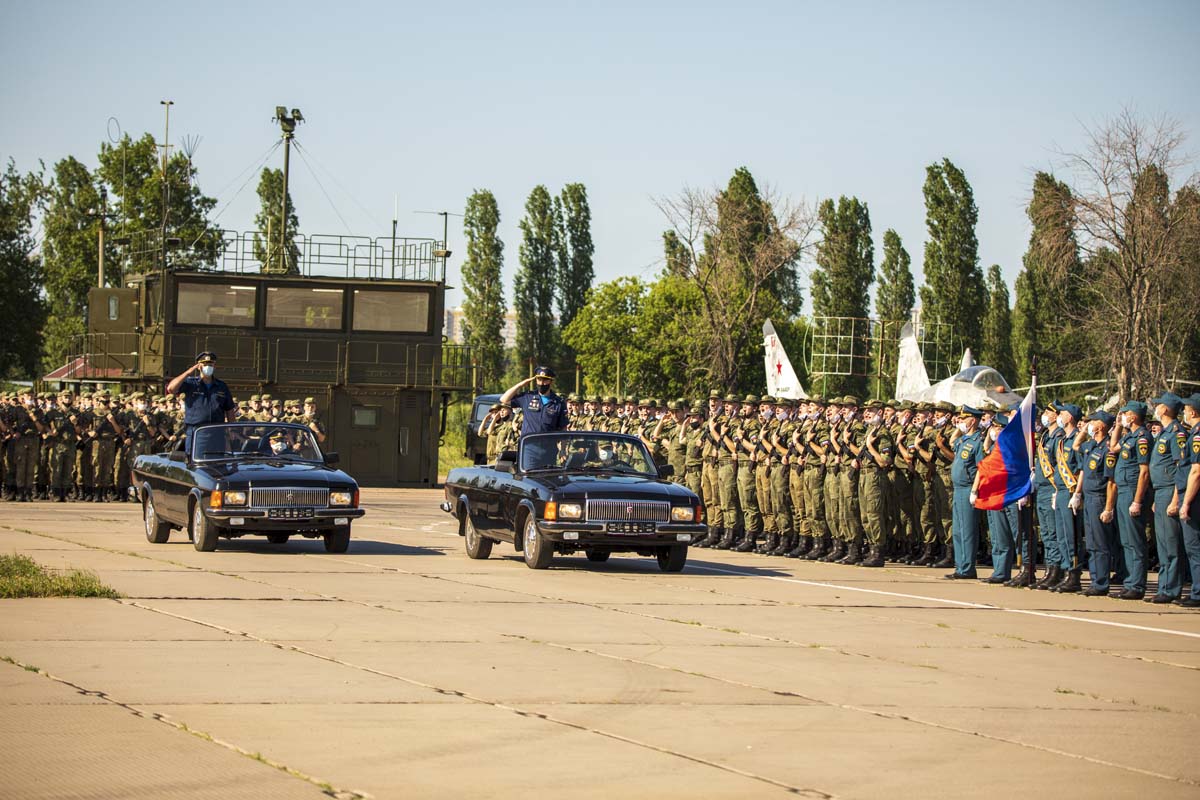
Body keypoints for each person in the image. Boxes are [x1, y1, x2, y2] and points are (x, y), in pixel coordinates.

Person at [1111, 400, 1152, 600]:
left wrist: (1137, 501)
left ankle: (1137, 584)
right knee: (1126, 540)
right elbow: (1113, 447)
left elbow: (1144, 471)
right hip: (1124, 491)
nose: (1123, 416)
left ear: (1133, 416)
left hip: (1132, 492)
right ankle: (1129, 582)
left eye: (1125, 414)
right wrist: (1118, 426)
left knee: (1135, 541)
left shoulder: (1142, 437)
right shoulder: (1129, 437)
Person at [945, 406, 984, 579]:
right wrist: (957, 429)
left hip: (968, 488)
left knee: (967, 530)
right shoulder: (963, 440)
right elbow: (951, 443)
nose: (960, 421)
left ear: (973, 420)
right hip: (958, 489)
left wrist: (974, 490)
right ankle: (960, 566)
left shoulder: (978, 442)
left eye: (964, 419)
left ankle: (968, 568)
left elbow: (981, 468)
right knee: (958, 531)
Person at [166, 351, 237, 446]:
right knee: (196, 460)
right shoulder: (191, 383)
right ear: (199, 366)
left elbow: (229, 410)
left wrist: (232, 430)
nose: (208, 366)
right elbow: (171, 389)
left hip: (217, 432)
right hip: (197, 432)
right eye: (205, 364)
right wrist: (188, 372)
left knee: (217, 459)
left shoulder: (221, 386)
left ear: (215, 366)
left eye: (211, 364)